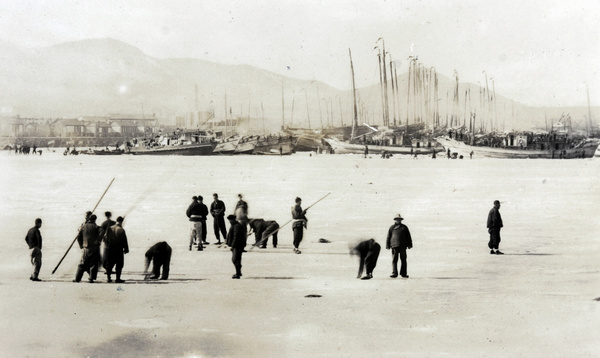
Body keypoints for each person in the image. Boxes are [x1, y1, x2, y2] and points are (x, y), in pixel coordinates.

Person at [74, 214, 101, 283]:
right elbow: (102, 232)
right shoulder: (96, 227)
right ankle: (91, 278)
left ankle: (77, 278)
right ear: (95, 219)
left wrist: (81, 245)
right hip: (94, 248)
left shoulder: (83, 226)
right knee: (93, 263)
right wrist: (98, 241)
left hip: (85, 248)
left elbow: (78, 237)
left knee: (82, 263)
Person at [386, 214, 412, 278]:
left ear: (401, 220)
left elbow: (408, 236)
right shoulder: (391, 227)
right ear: (395, 220)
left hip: (403, 246)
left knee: (403, 259)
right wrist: (387, 245)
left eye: (399, 219)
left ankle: (404, 273)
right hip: (394, 246)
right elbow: (388, 237)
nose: (398, 220)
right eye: (397, 219)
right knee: (394, 260)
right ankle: (394, 273)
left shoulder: (404, 227)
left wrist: (410, 244)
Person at [104, 216, 129, 283]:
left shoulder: (110, 228)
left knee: (109, 264)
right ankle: (118, 279)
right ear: (121, 222)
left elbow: (105, 238)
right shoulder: (121, 230)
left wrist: (107, 246)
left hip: (110, 249)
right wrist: (126, 249)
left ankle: (108, 278)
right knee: (119, 264)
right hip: (118, 249)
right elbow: (124, 240)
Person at [226, 214, 247, 279]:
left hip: (237, 246)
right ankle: (238, 272)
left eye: (230, 220)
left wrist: (233, 246)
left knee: (235, 259)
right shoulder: (234, 225)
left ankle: (238, 273)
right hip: (237, 246)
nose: (229, 221)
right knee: (237, 259)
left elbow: (236, 237)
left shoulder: (236, 226)